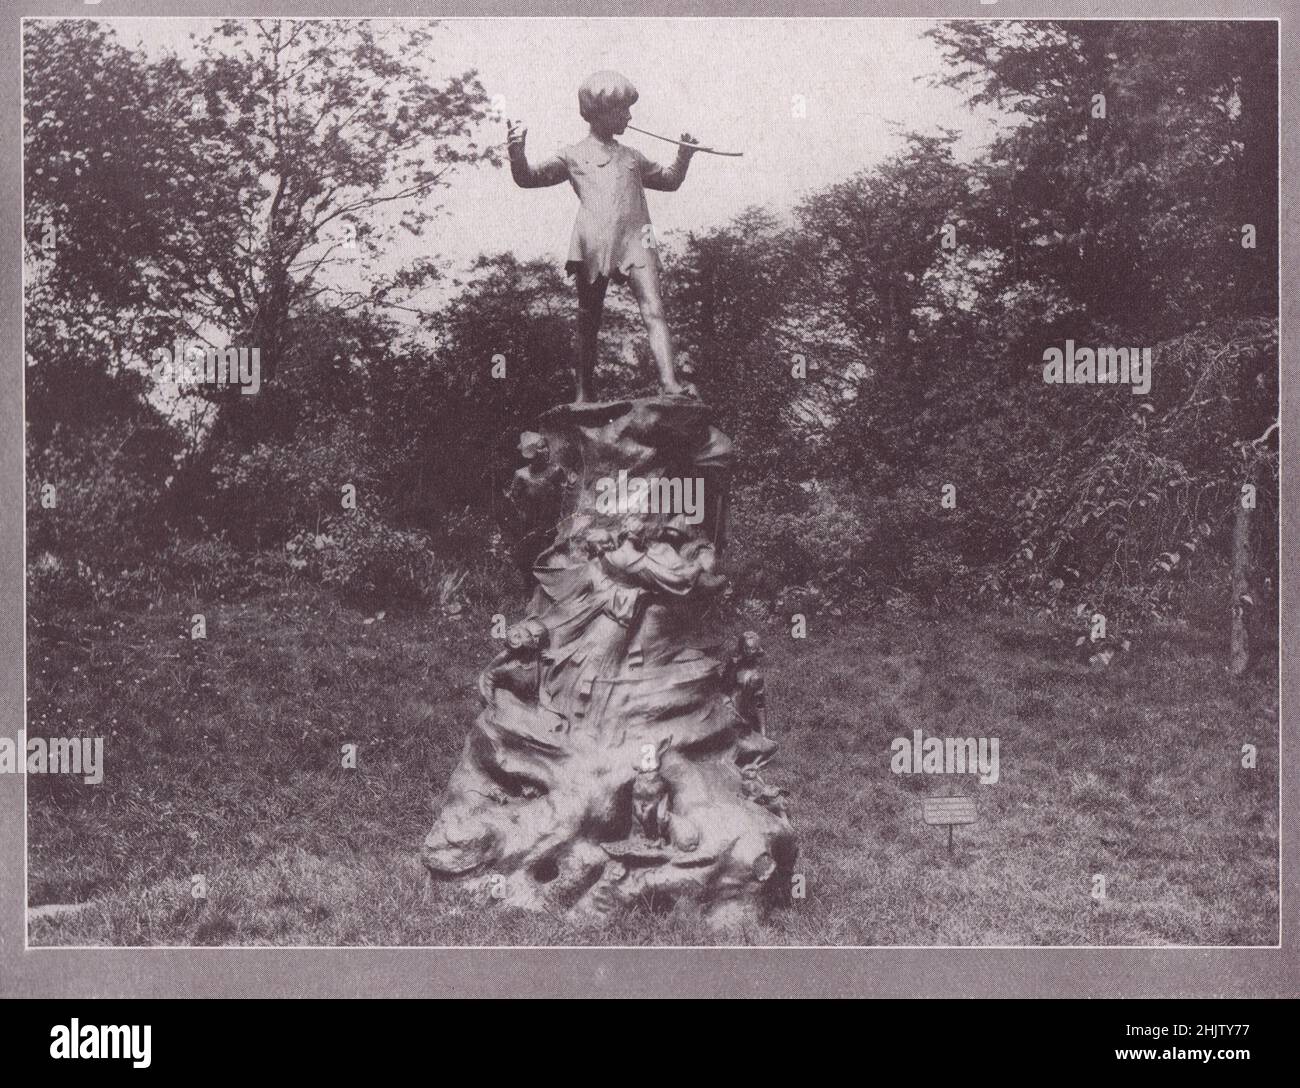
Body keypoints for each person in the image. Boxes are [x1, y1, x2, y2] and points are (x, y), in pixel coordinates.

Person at [507, 70, 699, 403]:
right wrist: (517, 154)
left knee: (655, 309)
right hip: (593, 242)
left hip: (638, 238)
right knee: (588, 318)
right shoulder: (571, 155)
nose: (629, 116)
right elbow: (529, 178)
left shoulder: (632, 157)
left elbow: (668, 181)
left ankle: (670, 383)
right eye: (622, 109)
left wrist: (683, 156)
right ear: (600, 112)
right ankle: (583, 392)